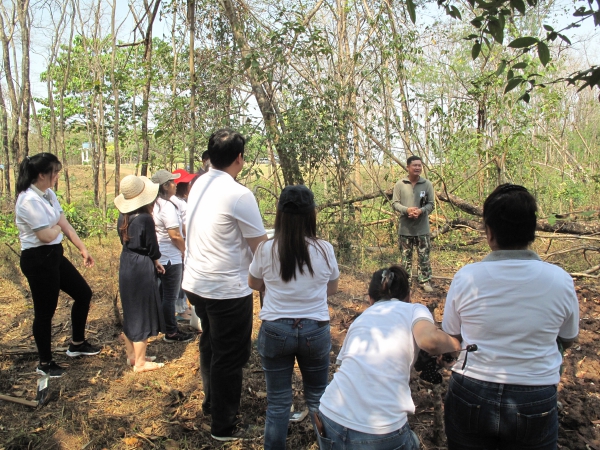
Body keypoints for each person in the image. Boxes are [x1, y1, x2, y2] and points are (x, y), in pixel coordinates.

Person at [442, 184, 580, 450]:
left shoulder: (466, 277)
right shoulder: (560, 280)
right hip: (535, 395)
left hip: (471, 391)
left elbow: (452, 335)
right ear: (532, 231)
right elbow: (568, 338)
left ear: (489, 232)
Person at [316, 265, 461, 449]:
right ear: (408, 297)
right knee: (414, 441)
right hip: (380, 430)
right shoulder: (414, 310)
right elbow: (429, 340)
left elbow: (344, 367)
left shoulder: (361, 319)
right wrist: (455, 345)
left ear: (370, 299)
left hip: (329, 416)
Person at [183, 129, 267, 441]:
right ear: (239, 158)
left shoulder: (199, 183)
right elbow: (261, 248)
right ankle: (223, 426)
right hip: (226, 289)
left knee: (211, 342)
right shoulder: (239, 194)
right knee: (229, 356)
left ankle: (211, 403)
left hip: (196, 283)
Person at [248, 185, 339, 450]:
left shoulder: (266, 248)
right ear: (312, 214)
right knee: (318, 398)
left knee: (278, 402)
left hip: (276, 330)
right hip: (315, 329)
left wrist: (273, 285)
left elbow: (254, 283)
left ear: (280, 215)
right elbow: (331, 288)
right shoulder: (324, 249)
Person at [15, 153, 100, 378]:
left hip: (54, 254)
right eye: (54, 172)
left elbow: (63, 223)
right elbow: (44, 235)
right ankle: (45, 362)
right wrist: (57, 228)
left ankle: (77, 344)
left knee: (83, 293)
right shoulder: (28, 200)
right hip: (37, 260)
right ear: (41, 174)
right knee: (45, 312)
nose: (57, 176)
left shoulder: (48, 194)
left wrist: (82, 248)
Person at [115, 175, 165, 372]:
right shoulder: (145, 219)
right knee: (142, 311)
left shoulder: (123, 216)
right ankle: (141, 362)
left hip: (127, 262)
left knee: (130, 309)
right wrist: (156, 261)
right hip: (141, 267)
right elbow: (152, 247)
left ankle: (132, 356)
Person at [151, 169, 194, 343]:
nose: (175, 185)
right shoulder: (167, 207)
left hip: (161, 256)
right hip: (171, 257)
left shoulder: (155, 204)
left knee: (163, 295)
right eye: (172, 182)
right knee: (170, 296)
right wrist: (185, 251)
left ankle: (164, 326)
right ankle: (171, 332)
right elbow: (175, 235)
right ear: (165, 186)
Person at [392, 155, 435, 292]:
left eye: (419, 165)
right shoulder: (400, 184)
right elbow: (395, 203)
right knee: (406, 258)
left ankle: (425, 281)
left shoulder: (427, 184)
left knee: (424, 256)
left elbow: (431, 204)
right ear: (408, 167)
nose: (417, 168)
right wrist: (407, 210)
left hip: (422, 228)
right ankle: (405, 283)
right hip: (405, 229)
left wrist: (421, 211)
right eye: (414, 165)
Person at [171, 168, 196, 321]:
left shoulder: (171, 202)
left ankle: (181, 307)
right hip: (181, 244)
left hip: (175, 245)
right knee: (181, 277)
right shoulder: (181, 204)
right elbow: (186, 228)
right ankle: (181, 309)